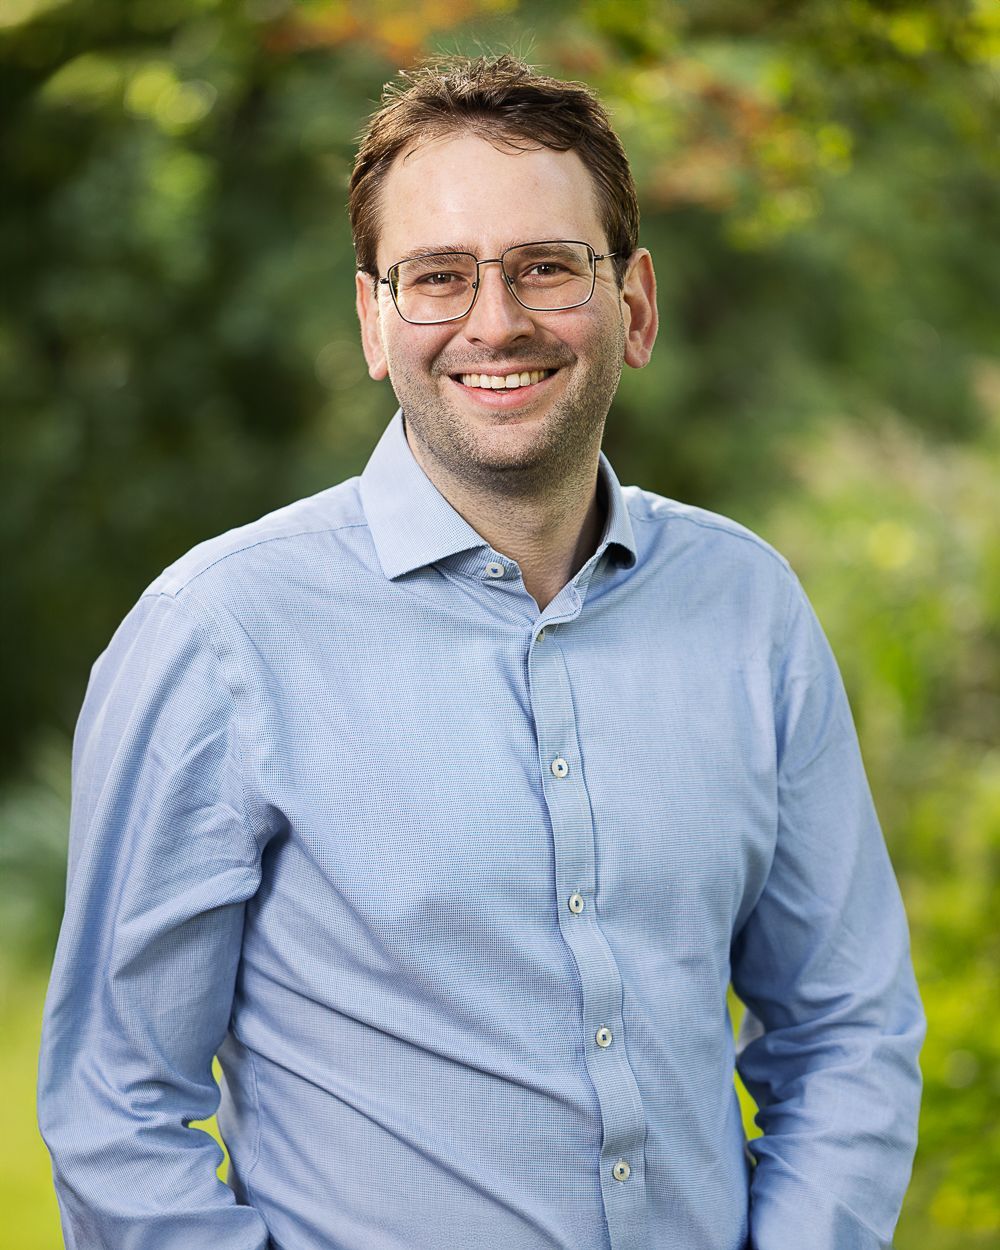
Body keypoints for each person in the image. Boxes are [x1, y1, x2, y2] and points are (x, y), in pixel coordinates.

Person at [38, 54, 924, 1250]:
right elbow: (116, 1107)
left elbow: (847, 1030)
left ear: (637, 304)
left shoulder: (747, 605)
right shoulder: (222, 635)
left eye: (548, 268)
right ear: (372, 321)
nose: (494, 320)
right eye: (438, 277)